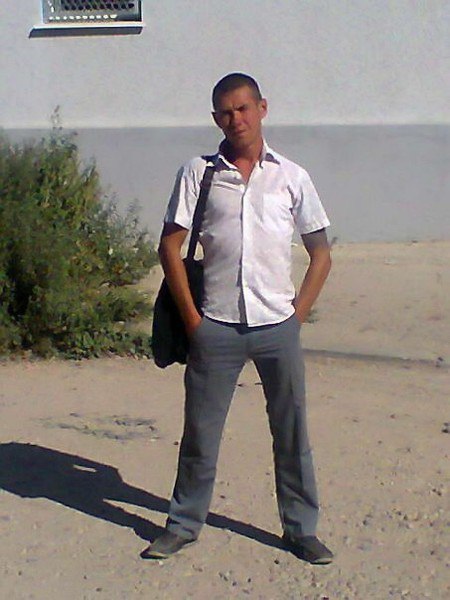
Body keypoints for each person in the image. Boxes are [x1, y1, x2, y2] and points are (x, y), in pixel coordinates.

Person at [142, 73, 333, 565]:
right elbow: (169, 246)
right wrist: (192, 319)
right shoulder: (198, 173)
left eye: (244, 108)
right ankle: (183, 525)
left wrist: (296, 316)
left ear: (262, 108)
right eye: (226, 112)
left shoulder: (292, 176)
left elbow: (321, 253)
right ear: (216, 119)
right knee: (201, 434)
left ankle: (301, 529)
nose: (237, 119)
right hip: (216, 327)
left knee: (291, 431)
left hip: (277, 327)